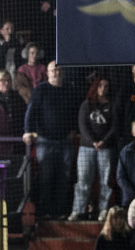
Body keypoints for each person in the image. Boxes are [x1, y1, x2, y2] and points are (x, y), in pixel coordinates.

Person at [24, 61, 78, 219]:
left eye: (59, 69)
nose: (56, 72)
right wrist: (27, 131)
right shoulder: (40, 89)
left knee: (65, 176)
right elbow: (31, 111)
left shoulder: (70, 89)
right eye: (53, 70)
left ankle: (61, 211)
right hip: (45, 141)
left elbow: (75, 111)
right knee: (46, 176)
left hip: (65, 142)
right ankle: (45, 212)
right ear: (47, 72)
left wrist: (74, 129)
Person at [71, 73, 116, 222]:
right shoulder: (87, 104)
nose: (103, 89)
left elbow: (115, 126)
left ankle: (104, 209)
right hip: (86, 148)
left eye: (106, 86)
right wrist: (93, 142)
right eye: (100, 85)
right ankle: (78, 209)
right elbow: (82, 125)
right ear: (95, 87)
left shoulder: (112, 104)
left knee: (105, 181)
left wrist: (104, 141)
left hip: (106, 148)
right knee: (83, 180)